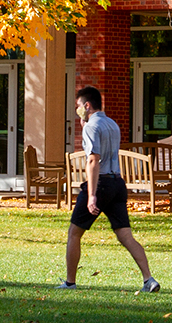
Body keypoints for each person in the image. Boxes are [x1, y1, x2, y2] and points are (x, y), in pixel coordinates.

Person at [59, 86, 159, 292]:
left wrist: (92, 195)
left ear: (87, 105)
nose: (77, 110)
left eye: (78, 106)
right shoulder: (112, 124)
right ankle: (149, 279)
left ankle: (70, 282)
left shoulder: (91, 127)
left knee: (74, 233)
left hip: (101, 183)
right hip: (117, 183)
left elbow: (94, 160)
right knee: (126, 236)